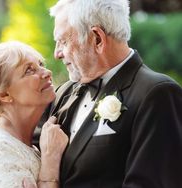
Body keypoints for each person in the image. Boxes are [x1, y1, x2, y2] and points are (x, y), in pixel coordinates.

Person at [35, 0, 182, 187]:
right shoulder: (64, 93)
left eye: (63, 41)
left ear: (97, 39)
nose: (57, 53)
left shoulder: (157, 94)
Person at [0, 41, 68, 188]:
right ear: (3, 94)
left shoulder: (17, 143)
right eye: (29, 70)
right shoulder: (0, 152)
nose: (46, 73)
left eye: (41, 65)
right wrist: (50, 165)